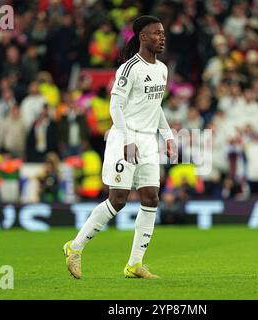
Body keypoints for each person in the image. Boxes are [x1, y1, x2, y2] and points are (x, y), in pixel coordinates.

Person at [63, 16, 177, 280]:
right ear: (143, 37)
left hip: (148, 140)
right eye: (156, 33)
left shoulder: (162, 69)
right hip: (125, 138)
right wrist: (127, 139)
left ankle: (135, 264)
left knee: (151, 198)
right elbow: (115, 106)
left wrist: (168, 135)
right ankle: (75, 247)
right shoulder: (129, 69)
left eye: (163, 33)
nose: (162, 37)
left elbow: (155, 106)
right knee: (118, 200)